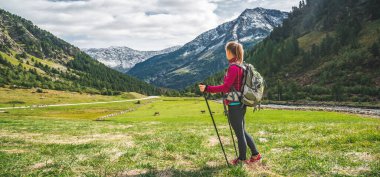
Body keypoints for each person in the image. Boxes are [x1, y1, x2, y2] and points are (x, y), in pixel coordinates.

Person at [199, 41, 261, 165]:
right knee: (242, 130)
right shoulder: (241, 66)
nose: (225, 53)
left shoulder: (233, 67)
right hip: (241, 103)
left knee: (239, 133)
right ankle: (255, 154)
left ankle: (242, 159)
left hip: (234, 105)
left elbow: (226, 87)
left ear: (229, 52)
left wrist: (207, 88)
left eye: (226, 51)